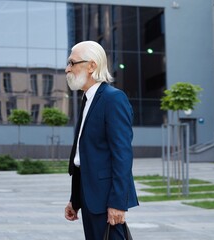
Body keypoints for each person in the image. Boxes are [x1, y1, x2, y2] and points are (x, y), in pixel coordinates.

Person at [64, 41, 138, 240]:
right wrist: (75, 200)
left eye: (72, 63)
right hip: (89, 196)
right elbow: (84, 155)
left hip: (106, 200)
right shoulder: (87, 100)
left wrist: (118, 203)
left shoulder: (113, 99)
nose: (67, 68)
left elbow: (122, 155)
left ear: (91, 66)